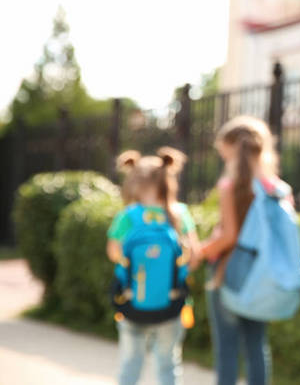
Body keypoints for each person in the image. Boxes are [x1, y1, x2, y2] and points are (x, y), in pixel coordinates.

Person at [199, 116, 288, 385]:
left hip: (227, 273)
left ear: (232, 149)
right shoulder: (276, 188)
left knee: (226, 347)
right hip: (261, 274)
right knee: (256, 345)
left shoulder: (231, 186)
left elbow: (230, 235)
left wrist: (201, 251)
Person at [107, 147, 201, 385]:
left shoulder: (128, 216)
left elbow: (113, 253)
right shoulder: (179, 213)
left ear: (133, 181)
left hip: (131, 302)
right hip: (172, 304)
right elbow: (194, 255)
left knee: (131, 363)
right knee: (168, 364)